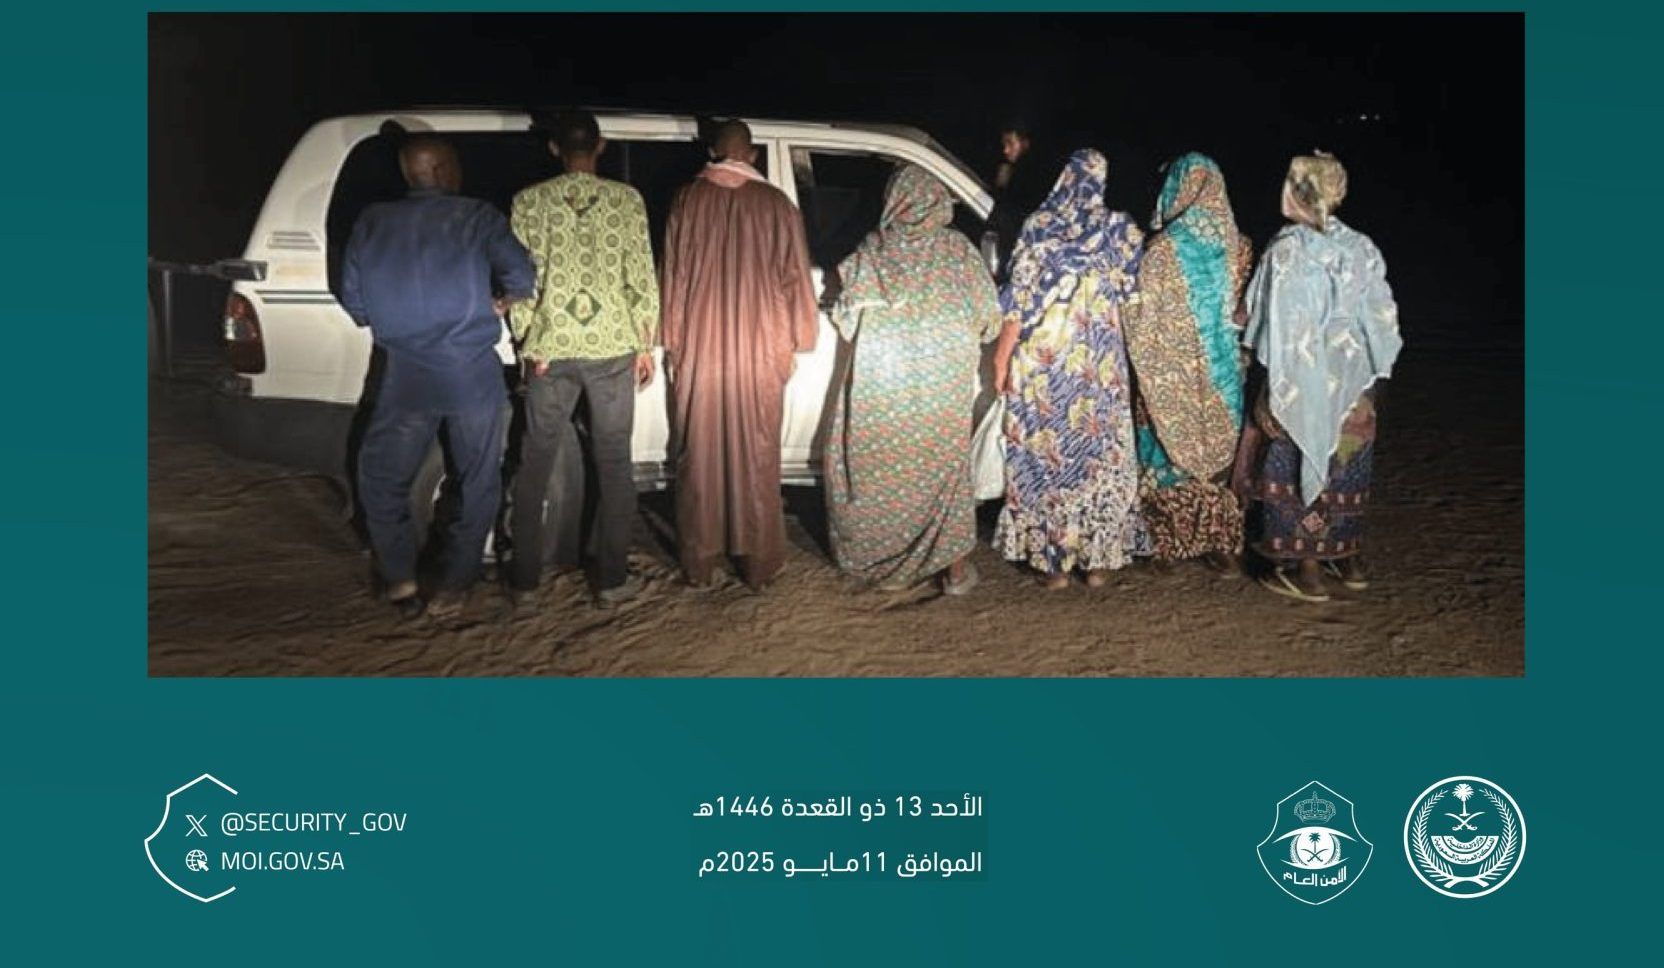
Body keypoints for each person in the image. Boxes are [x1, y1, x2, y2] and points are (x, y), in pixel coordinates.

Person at [339, 135, 536, 618]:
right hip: (470, 374)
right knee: (478, 480)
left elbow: (355, 301)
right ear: (445, 170)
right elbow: (522, 277)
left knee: (380, 478)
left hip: (404, 375)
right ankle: (455, 585)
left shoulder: (371, 221)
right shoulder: (477, 216)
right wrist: (501, 302)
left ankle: (400, 580)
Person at [824, 165, 1003, 594]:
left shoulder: (873, 250)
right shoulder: (958, 251)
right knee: (944, 474)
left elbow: (845, 320)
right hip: (941, 391)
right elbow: (989, 320)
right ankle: (954, 573)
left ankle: (879, 568)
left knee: (880, 472)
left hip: (884, 388)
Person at [506, 110, 660, 606]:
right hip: (612, 348)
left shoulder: (528, 202)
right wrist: (644, 344)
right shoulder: (627, 201)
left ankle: (524, 582)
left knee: (535, 462)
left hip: (550, 350)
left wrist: (529, 342)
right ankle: (611, 581)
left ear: (554, 148)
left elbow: (520, 281)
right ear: (601, 146)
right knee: (613, 462)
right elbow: (642, 277)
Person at [658, 119, 819, 590]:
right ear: (751, 155)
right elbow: (795, 277)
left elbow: (673, 276)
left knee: (700, 451)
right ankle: (758, 565)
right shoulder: (776, 204)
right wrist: (801, 336)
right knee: (758, 451)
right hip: (761, 346)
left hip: (701, 346)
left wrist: (670, 339)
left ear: (712, 152)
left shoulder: (688, 200)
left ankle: (700, 564)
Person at [1238, 152, 1402, 602]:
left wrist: (1268, 392)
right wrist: (1372, 381)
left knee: (1297, 465)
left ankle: (1307, 571)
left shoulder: (1287, 250)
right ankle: (1347, 559)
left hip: (1303, 384)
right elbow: (1382, 321)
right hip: (1354, 385)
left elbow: (1277, 329)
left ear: (1298, 192)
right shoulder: (1361, 247)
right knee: (1345, 469)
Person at [991, 149, 1144, 589]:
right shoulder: (1122, 231)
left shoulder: (1039, 227)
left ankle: (1053, 565)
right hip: (1100, 368)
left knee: (1046, 459)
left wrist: (1001, 360)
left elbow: (1017, 303)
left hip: (1046, 368)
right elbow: (1132, 299)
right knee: (1101, 457)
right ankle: (1097, 563)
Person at [1122, 153, 1255, 572]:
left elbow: (1139, 314)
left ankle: (1164, 543)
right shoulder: (1240, 247)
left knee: (1162, 450)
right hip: (1222, 376)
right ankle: (1220, 542)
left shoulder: (1161, 248)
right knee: (1217, 450)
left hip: (1166, 374)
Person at [987, 121, 1049, 283]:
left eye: (1010, 143)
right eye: (1004, 144)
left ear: (1025, 144)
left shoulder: (1036, 179)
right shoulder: (1010, 171)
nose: (1005, 150)